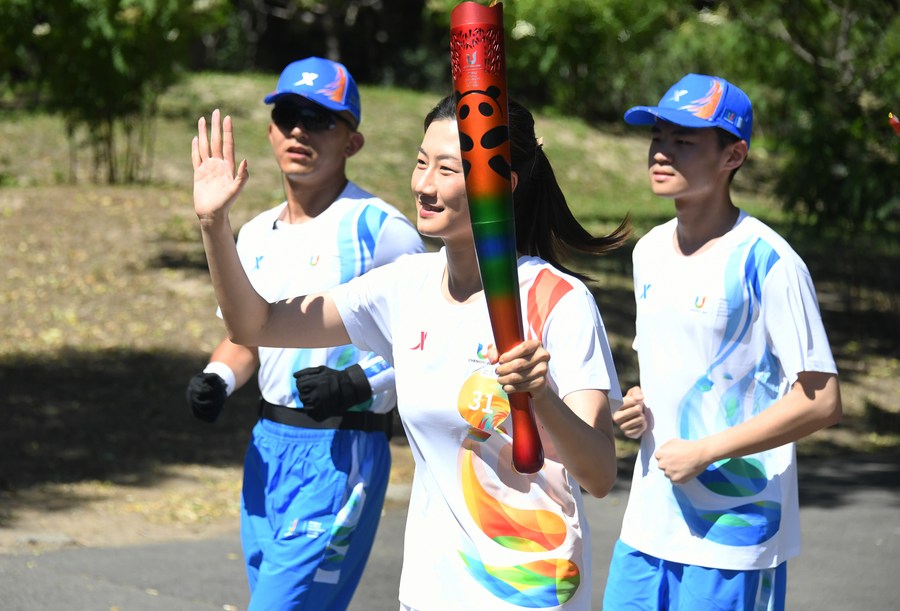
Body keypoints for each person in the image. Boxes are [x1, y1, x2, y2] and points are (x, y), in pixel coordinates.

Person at [191, 92, 631, 610]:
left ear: (500, 187)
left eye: (447, 169)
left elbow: (599, 474)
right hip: (429, 592)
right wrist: (213, 225)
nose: (424, 184)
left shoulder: (558, 300)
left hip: (528, 586)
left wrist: (541, 396)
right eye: (422, 162)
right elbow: (253, 324)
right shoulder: (405, 287)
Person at [185, 56, 424, 611]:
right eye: (289, 114)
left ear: (352, 142)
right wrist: (218, 377)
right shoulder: (252, 232)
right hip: (268, 450)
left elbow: (426, 339)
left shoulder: (381, 231)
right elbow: (247, 337)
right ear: (270, 129)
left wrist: (356, 382)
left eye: (320, 120)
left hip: (344, 450)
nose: (299, 130)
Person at [603, 73, 843, 611]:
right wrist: (638, 405)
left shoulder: (769, 262)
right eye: (658, 137)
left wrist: (708, 450)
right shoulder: (647, 251)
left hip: (735, 530)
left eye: (684, 141)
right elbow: (679, 367)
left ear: (733, 155)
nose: (661, 153)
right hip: (648, 523)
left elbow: (822, 399)